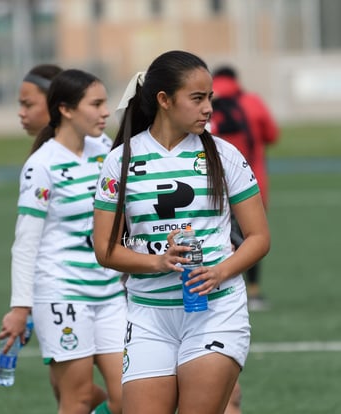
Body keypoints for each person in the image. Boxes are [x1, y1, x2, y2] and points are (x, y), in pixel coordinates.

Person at [93, 50, 270, 414]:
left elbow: (259, 238)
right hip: (148, 317)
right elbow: (105, 250)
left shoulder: (225, 155)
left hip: (215, 312)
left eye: (210, 99)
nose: (208, 108)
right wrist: (159, 263)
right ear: (164, 100)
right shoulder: (121, 161)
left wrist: (220, 272)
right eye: (197, 98)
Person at [0, 69, 126, 414]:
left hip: (112, 292)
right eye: (96, 104)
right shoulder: (41, 166)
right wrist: (20, 308)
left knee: (128, 399)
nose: (104, 112)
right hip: (61, 294)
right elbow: (25, 243)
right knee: (78, 398)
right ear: (67, 110)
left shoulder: (107, 150)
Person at [210, 65, 279, 311]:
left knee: (211, 232)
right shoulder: (252, 102)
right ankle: (255, 291)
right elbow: (272, 134)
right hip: (251, 180)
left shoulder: (201, 103)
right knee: (252, 235)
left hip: (208, 185)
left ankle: (216, 286)